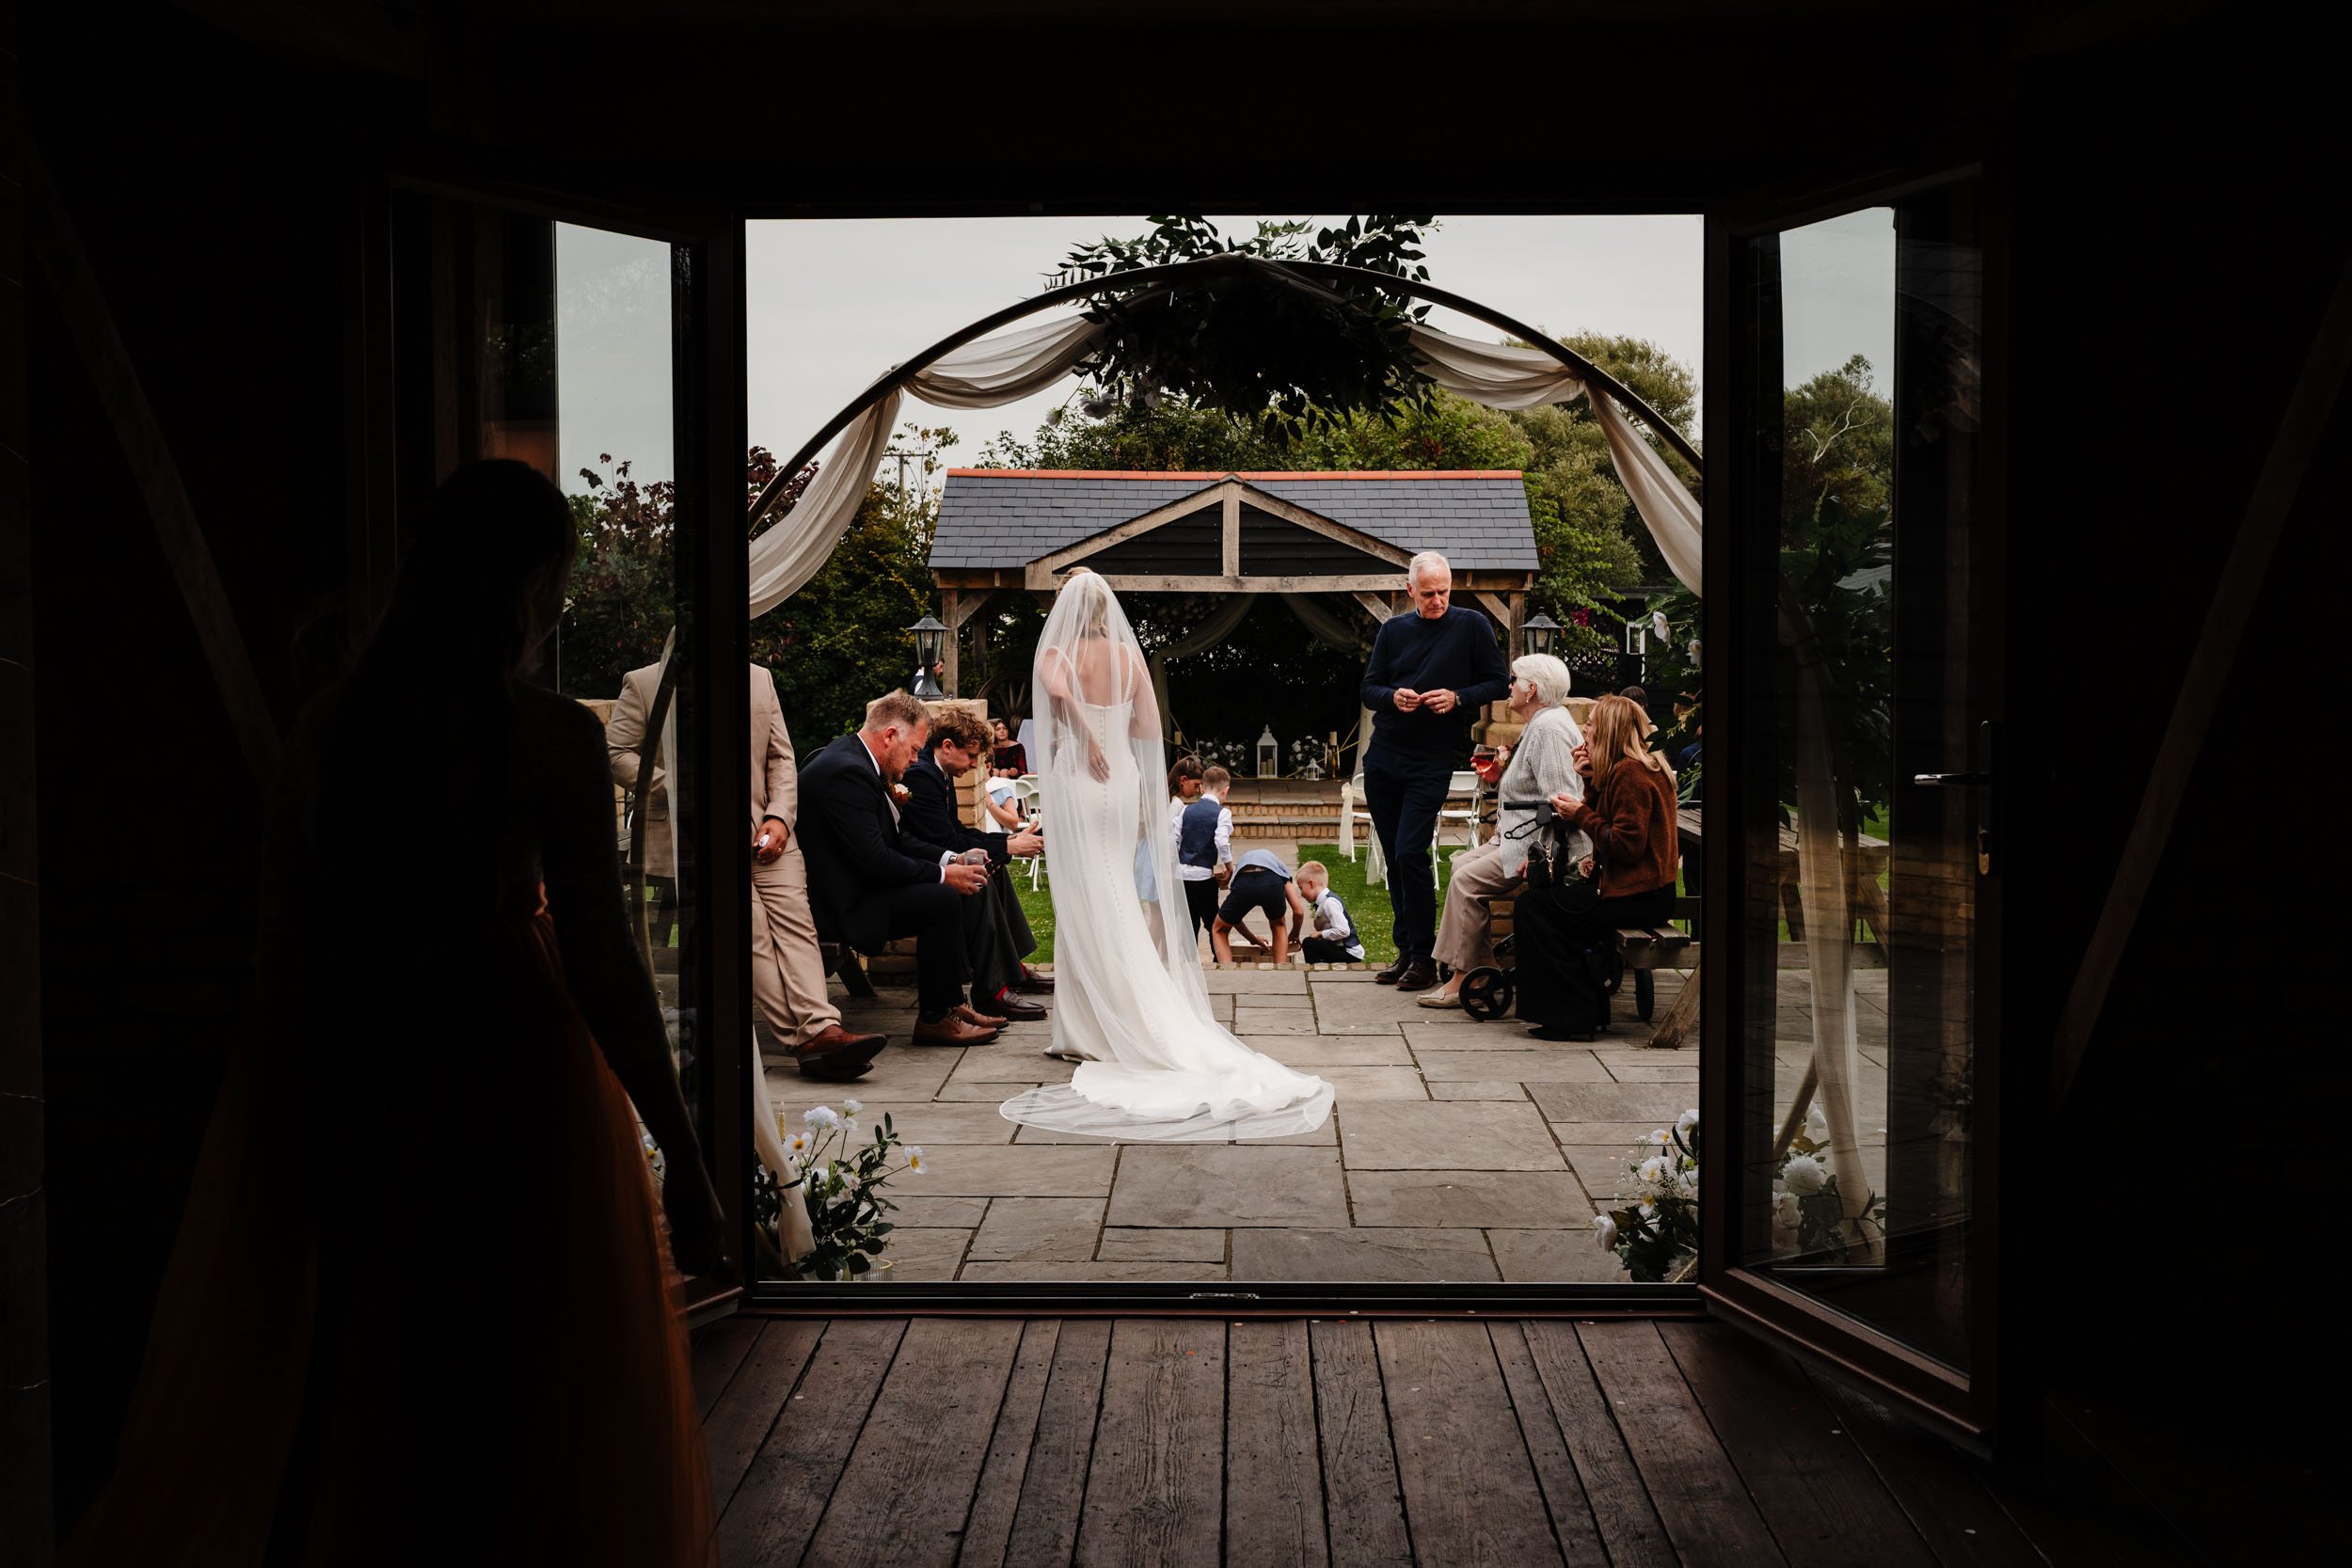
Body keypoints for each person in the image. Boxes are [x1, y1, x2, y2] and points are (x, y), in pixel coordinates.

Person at [60, 461, 720, 1564]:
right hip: (511, 1071)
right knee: (522, 1366)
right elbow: (605, 962)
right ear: (527, 586)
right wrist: (684, 1155)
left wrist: (278, 1122)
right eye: (554, 583)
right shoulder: (547, 737)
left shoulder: (331, 732)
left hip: (359, 1059)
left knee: (376, 1366)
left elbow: (279, 955)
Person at [997, 569, 1333, 1141]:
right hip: (1123, 779)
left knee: (1086, 893)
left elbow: (1056, 691)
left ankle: (1095, 1027)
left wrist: (1084, 731)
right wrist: (1137, 781)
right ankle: (1105, 1018)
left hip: (1082, 773)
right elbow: (1150, 731)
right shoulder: (1130, 660)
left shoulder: (1057, 649)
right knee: (1114, 890)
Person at [612, 659, 885, 1080]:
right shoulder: (645, 683)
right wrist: (680, 787)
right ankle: (809, 1041)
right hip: (696, 837)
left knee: (797, 925)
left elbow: (780, 757)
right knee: (750, 932)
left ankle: (822, 1029)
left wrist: (779, 817)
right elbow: (616, 752)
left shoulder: (760, 679)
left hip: (769, 834)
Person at [796, 690, 1005, 1044]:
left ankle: (950, 1002)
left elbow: (894, 839)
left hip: (858, 886)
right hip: (839, 904)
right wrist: (943, 876)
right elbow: (877, 860)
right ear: (890, 735)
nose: (916, 759)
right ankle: (935, 1019)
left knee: (952, 892)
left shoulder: (857, 761)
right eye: (914, 749)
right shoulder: (846, 772)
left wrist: (950, 861)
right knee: (941, 901)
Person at [1359, 550, 1511, 991]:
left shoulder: (1471, 626)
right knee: (1394, 856)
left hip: (1431, 758)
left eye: (1444, 591)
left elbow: (1498, 681)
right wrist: (1393, 698)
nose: (1438, 600)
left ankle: (1425, 957)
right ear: (1411, 591)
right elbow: (1370, 688)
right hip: (1385, 755)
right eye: (1428, 593)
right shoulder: (1393, 630)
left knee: (1411, 852)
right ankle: (1405, 951)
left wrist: (1458, 698)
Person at [1417, 653, 1590, 1008]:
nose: (1508, 686)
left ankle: (1464, 977)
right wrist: (1500, 776)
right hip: (1514, 837)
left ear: (1532, 689)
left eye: (1514, 680)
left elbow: (1561, 802)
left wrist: (1541, 857)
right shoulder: (1541, 723)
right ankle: (1481, 967)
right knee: (1461, 866)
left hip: (1537, 846)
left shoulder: (1548, 728)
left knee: (1467, 882)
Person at [1513, 693, 1681, 1041]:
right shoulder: (1630, 768)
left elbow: (1626, 846)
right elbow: (1608, 823)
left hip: (1637, 896)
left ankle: (1574, 1015)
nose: (1584, 731)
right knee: (1544, 903)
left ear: (1607, 732)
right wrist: (1589, 782)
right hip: (1639, 891)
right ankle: (1581, 1008)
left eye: (1590, 724)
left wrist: (1580, 813)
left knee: (1535, 909)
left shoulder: (1631, 773)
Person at [903, 703, 1052, 1022]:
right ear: (947, 746)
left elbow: (955, 831)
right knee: (980, 875)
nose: (973, 765)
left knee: (995, 870)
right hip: (918, 867)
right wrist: (1009, 846)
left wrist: (1007, 843)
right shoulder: (922, 775)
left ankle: (1013, 970)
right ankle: (990, 991)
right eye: (971, 756)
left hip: (936, 856)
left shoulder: (939, 771)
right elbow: (947, 842)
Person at [1169, 757, 1232, 945]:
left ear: (1202, 789)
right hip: (1204, 876)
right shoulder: (1223, 813)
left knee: (1189, 924)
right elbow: (1221, 841)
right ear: (1225, 790)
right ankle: (1218, 959)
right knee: (1213, 922)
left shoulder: (1185, 810)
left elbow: (1173, 839)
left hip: (1182, 875)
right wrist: (1229, 866)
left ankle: (1190, 964)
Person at [1213, 847, 1311, 965]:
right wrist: (1295, 933)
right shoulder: (1281, 871)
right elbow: (1299, 911)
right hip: (1271, 882)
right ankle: (1281, 971)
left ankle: (1227, 971)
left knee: (1220, 929)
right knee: (1278, 925)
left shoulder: (1244, 864)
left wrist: (1252, 939)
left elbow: (1233, 919)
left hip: (1244, 881)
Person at [1293, 861, 1365, 964]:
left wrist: (1320, 934)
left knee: (1309, 943)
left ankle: (1316, 971)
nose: (1301, 894)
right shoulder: (1324, 901)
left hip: (1349, 953)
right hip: (1340, 948)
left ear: (1311, 884)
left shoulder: (1330, 903)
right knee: (1314, 943)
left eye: (1301, 888)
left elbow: (1344, 930)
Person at [991, 714, 1029, 778]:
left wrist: (1016, 772)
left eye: (1005, 728)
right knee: (995, 771)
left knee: (1004, 772)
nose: (1002, 731)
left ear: (1008, 731)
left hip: (1013, 780)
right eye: (998, 729)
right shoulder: (991, 748)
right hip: (995, 778)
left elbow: (1024, 771)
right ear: (994, 733)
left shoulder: (1018, 747)